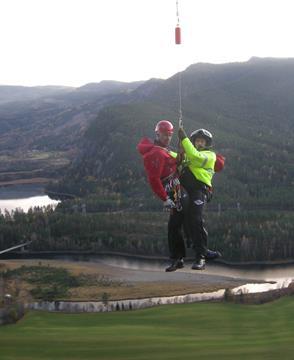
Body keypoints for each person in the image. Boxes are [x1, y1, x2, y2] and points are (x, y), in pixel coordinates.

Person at [137, 120, 187, 271]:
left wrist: (181, 150)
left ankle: (179, 259)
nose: (168, 138)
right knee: (175, 226)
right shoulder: (156, 153)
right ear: (158, 134)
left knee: (176, 226)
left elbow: (172, 163)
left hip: (177, 190)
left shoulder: (162, 150)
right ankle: (181, 258)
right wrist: (165, 198)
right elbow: (153, 179)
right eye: (165, 135)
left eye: (170, 135)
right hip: (174, 192)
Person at [177, 127, 222, 270]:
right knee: (184, 217)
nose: (200, 143)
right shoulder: (188, 154)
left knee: (196, 219)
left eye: (202, 141)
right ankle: (197, 245)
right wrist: (163, 151)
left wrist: (183, 138)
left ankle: (201, 257)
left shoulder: (210, 155)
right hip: (185, 189)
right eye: (197, 140)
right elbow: (176, 157)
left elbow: (196, 157)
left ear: (207, 143)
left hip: (199, 190)